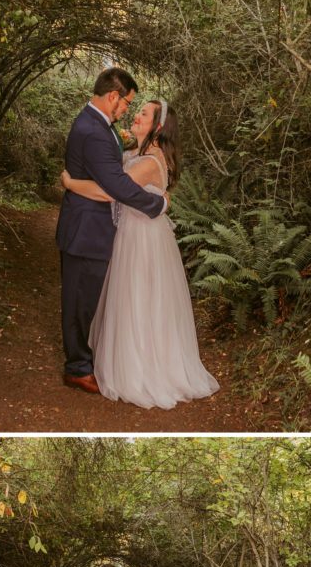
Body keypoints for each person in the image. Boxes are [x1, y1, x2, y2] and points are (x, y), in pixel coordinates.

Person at [60, 98, 219, 409]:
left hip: (144, 238)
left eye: (144, 113)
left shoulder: (149, 162)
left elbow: (109, 192)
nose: (136, 115)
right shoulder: (133, 153)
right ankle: (120, 357)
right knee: (128, 296)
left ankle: (141, 367)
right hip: (128, 233)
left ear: (158, 128)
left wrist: (70, 182)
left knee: (139, 298)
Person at [56, 67, 168, 395]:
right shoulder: (92, 129)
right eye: (126, 103)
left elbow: (111, 179)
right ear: (112, 96)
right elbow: (114, 186)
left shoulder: (101, 126)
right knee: (78, 302)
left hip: (96, 229)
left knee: (88, 300)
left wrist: (70, 182)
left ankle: (85, 361)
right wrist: (156, 205)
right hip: (85, 232)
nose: (126, 110)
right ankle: (77, 368)